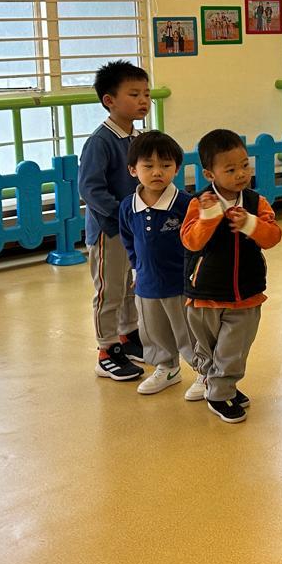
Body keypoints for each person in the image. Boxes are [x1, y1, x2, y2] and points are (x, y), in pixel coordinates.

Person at [178, 129, 282, 423]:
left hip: (245, 294)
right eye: (231, 169)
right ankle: (218, 384)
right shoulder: (199, 203)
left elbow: (273, 237)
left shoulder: (255, 202)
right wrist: (209, 219)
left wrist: (251, 224)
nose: (241, 174)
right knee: (211, 350)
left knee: (233, 350)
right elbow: (190, 242)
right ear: (209, 173)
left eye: (245, 165)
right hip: (204, 293)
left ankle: (219, 393)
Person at [80, 60, 149, 382]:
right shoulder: (100, 141)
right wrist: (121, 215)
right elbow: (90, 188)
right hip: (109, 231)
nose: (143, 100)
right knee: (109, 290)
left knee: (130, 286)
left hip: (134, 227)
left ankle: (129, 334)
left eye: (146, 94)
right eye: (134, 94)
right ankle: (106, 349)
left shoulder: (138, 137)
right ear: (109, 100)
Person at [117, 131, 194, 396]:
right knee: (153, 330)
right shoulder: (128, 206)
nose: (157, 172)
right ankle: (166, 367)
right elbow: (129, 240)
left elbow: (197, 242)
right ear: (133, 170)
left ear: (177, 169)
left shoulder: (185, 204)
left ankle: (204, 371)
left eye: (165, 165)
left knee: (188, 330)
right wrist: (136, 270)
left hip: (180, 282)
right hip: (147, 283)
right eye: (148, 166)